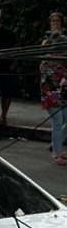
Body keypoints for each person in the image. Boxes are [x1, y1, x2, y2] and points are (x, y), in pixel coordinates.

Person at [40, 12, 67, 165]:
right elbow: (54, 78)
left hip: (61, 94)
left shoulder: (61, 61)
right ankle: (56, 154)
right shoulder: (47, 62)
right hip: (51, 95)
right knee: (57, 123)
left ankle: (57, 146)